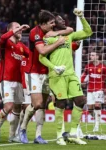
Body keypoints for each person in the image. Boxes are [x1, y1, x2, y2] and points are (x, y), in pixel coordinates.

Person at [39, 8, 93, 145]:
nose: (63, 20)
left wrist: (81, 17)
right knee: (61, 103)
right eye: (59, 19)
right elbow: (41, 57)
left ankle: (74, 133)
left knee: (81, 100)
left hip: (71, 74)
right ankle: (59, 135)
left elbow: (88, 32)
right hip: (57, 75)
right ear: (54, 24)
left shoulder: (69, 36)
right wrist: (54, 68)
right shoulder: (49, 38)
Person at [19, 10, 73, 144]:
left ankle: (38, 136)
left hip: (48, 72)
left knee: (42, 105)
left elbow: (70, 29)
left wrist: (56, 33)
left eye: (54, 22)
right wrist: (58, 42)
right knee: (36, 104)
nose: (54, 24)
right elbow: (42, 51)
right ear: (43, 24)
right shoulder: (35, 32)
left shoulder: (52, 30)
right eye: (51, 23)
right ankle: (23, 128)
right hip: (34, 72)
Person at [0, 22, 30, 143]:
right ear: (10, 30)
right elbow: (3, 37)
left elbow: (31, 54)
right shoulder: (5, 44)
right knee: (8, 106)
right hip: (6, 81)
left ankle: (12, 135)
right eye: (17, 27)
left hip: (19, 82)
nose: (20, 30)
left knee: (17, 109)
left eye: (20, 28)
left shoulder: (21, 46)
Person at [81, 51, 106, 132]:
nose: (91, 56)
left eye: (92, 55)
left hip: (99, 90)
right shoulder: (88, 66)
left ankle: (96, 126)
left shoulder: (103, 67)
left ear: (97, 56)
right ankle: (97, 119)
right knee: (90, 109)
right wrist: (81, 82)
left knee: (97, 105)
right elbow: (84, 75)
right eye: (90, 55)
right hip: (90, 90)